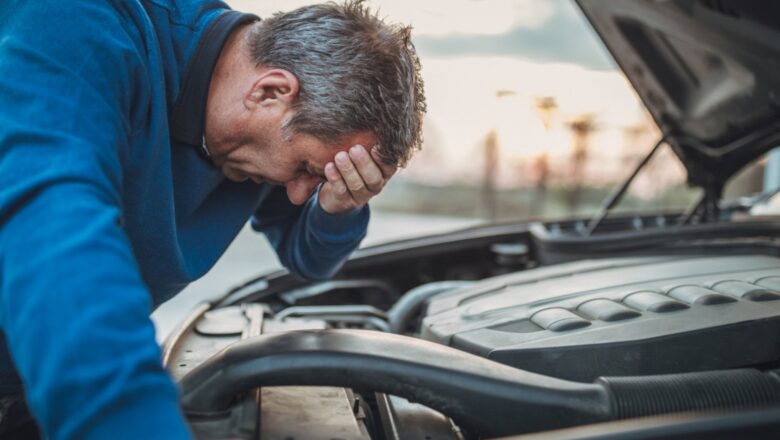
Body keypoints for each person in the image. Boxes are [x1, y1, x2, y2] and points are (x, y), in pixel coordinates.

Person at [0, 0, 425, 438]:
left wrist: (338, 205)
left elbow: (310, 260)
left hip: (48, 376)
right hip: (71, 357)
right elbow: (55, 241)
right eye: (306, 170)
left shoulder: (255, 129)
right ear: (270, 91)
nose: (299, 194)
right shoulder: (73, 27)